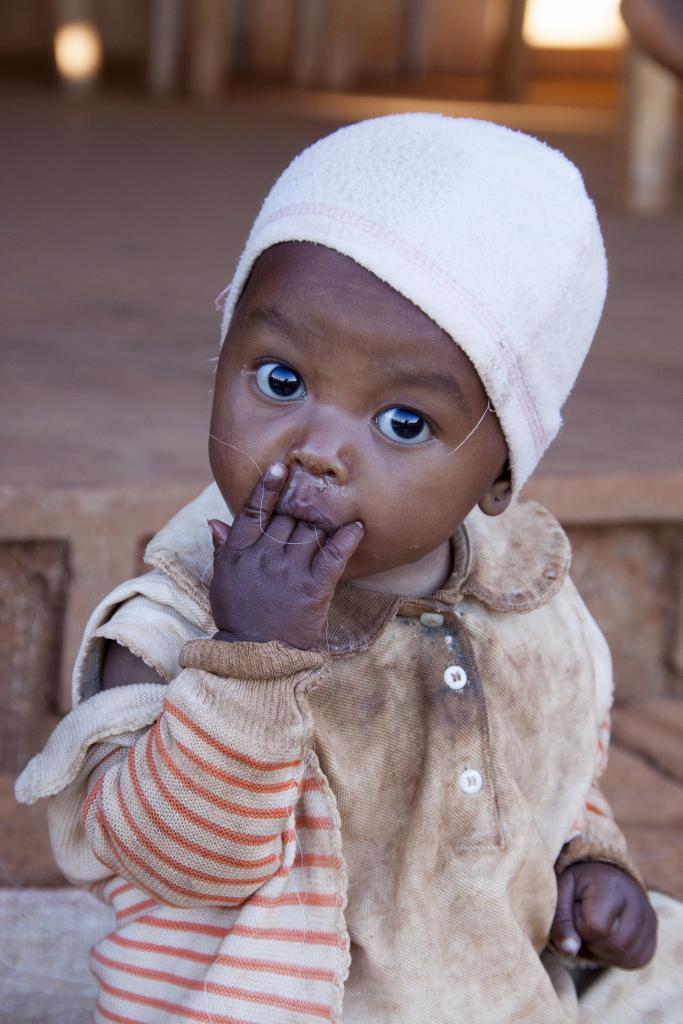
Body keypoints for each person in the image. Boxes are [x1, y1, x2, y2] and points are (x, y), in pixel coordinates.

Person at [16, 115, 682, 1024]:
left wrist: (588, 864)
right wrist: (248, 659)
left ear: (497, 476)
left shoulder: (523, 601)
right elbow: (171, 860)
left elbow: (541, 768)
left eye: (404, 422)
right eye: (280, 379)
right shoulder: (175, 618)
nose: (318, 450)